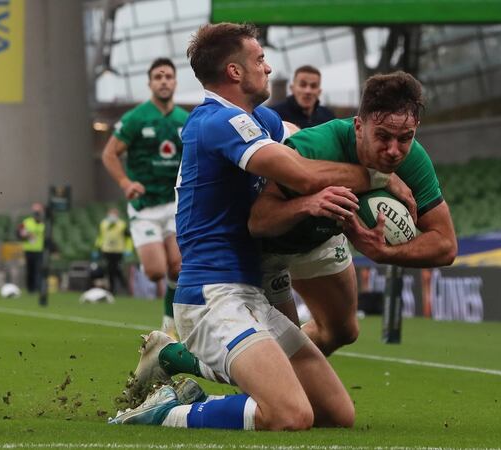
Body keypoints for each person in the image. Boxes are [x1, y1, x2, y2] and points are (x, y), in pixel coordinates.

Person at [110, 22, 407, 431]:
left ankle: (177, 362)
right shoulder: (216, 121)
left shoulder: (257, 119)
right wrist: (379, 176)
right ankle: (164, 412)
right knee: (290, 415)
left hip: (251, 293)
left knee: (336, 414)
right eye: (260, 60)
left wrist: (381, 145)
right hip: (213, 296)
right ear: (235, 72)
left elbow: (307, 142)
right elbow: (303, 173)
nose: (267, 69)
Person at [252, 71, 457, 356]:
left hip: (322, 237)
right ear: (359, 126)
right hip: (267, 248)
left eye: (405, 138)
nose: (394, 151)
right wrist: (307, 204)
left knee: (342, 331)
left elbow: (446, 246)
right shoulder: (316, 146)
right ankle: (187, 361)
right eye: (383, 136)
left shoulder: (413, 159)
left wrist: (384, 253)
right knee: (281, 353)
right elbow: (257, 219)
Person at [101, 57, 187, 337]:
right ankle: (150, 251)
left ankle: (169, 324)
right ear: (150, 83)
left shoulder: (184, 120)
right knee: (155, 272)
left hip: (174, 204)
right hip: (145, 206)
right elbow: (109, 153)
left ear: (175, 81)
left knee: (178, 267)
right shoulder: (136, 118)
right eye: (158, 77)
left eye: (168, 76)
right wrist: (125, 182)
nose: (163, 81)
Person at [269, 65, 335, 129]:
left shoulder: (329, 118)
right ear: (292, 88)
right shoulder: (274, 116)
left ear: (319, 91)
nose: (308, 91)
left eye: (313, 86)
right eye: (302, 85)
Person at [93, 207, 130, 295]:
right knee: (110, 270)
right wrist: (96, 248)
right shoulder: (103, 224)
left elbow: (128, 238)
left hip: (118, 251)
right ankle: (113, 290)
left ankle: (124, 287)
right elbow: (100, 237)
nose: (112, 216)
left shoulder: (122, 224)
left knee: (117, 269)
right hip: (107, 250)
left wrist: (128, 249)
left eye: (114, 214)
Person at [17, 202, 45, 294]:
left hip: (39, 250)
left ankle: (39, 288)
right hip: (28, 249)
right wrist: (26, 235)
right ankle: (30, 289)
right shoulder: (27, 222)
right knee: (30, 270)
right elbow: (19, 232)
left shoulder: (44, 224)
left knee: (39, 270)